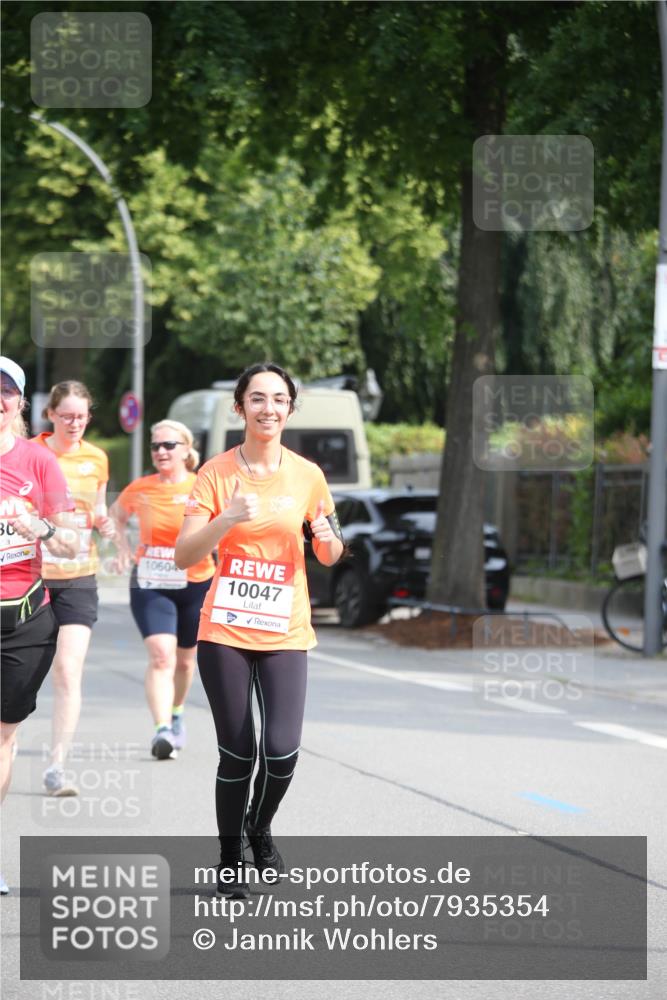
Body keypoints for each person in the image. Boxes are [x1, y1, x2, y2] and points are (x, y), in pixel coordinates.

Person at [174, 362, 344, 897]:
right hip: (224, 629)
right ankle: (230, 862)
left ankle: (259, 825)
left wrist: (323, 536)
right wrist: (225, 519)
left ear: (289, 408)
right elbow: (184, 555)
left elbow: (331, 552)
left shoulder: (309, 475)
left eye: (278, 399)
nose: (268, 408)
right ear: (240, 407)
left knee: (283, 748)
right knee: (239, 751)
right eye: (257, 399)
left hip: (286, 629)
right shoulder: (216, 474)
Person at [0, 358, 78, 894]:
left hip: (24, 621)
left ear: (19, 402)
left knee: (3, 736)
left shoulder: (39, 462)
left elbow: (73, 541)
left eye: (4, 392)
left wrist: (40, 524)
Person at [110, 420, 215, 761]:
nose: (161, 452)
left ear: (187, 449)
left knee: (185, 663)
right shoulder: (141, 488)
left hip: (197, 582)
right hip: (151, 582)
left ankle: (177, 710)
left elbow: (227, 527)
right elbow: (114, 518)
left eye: (169, 445)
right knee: (161, 656)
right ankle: (161, 731)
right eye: (156, 446)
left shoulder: (205, 485)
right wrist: (123, 548)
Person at [32, 381, 115, 796]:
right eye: (66, 416)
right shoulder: (31, 453)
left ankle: (57, 766)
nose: (74, 423)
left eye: (81, 417)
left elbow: (97, 508)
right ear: (50, 415)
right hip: (32, 577)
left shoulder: (97, 458)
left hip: (80, 577)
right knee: (20, 675)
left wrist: (107, 524)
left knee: (68, 669)